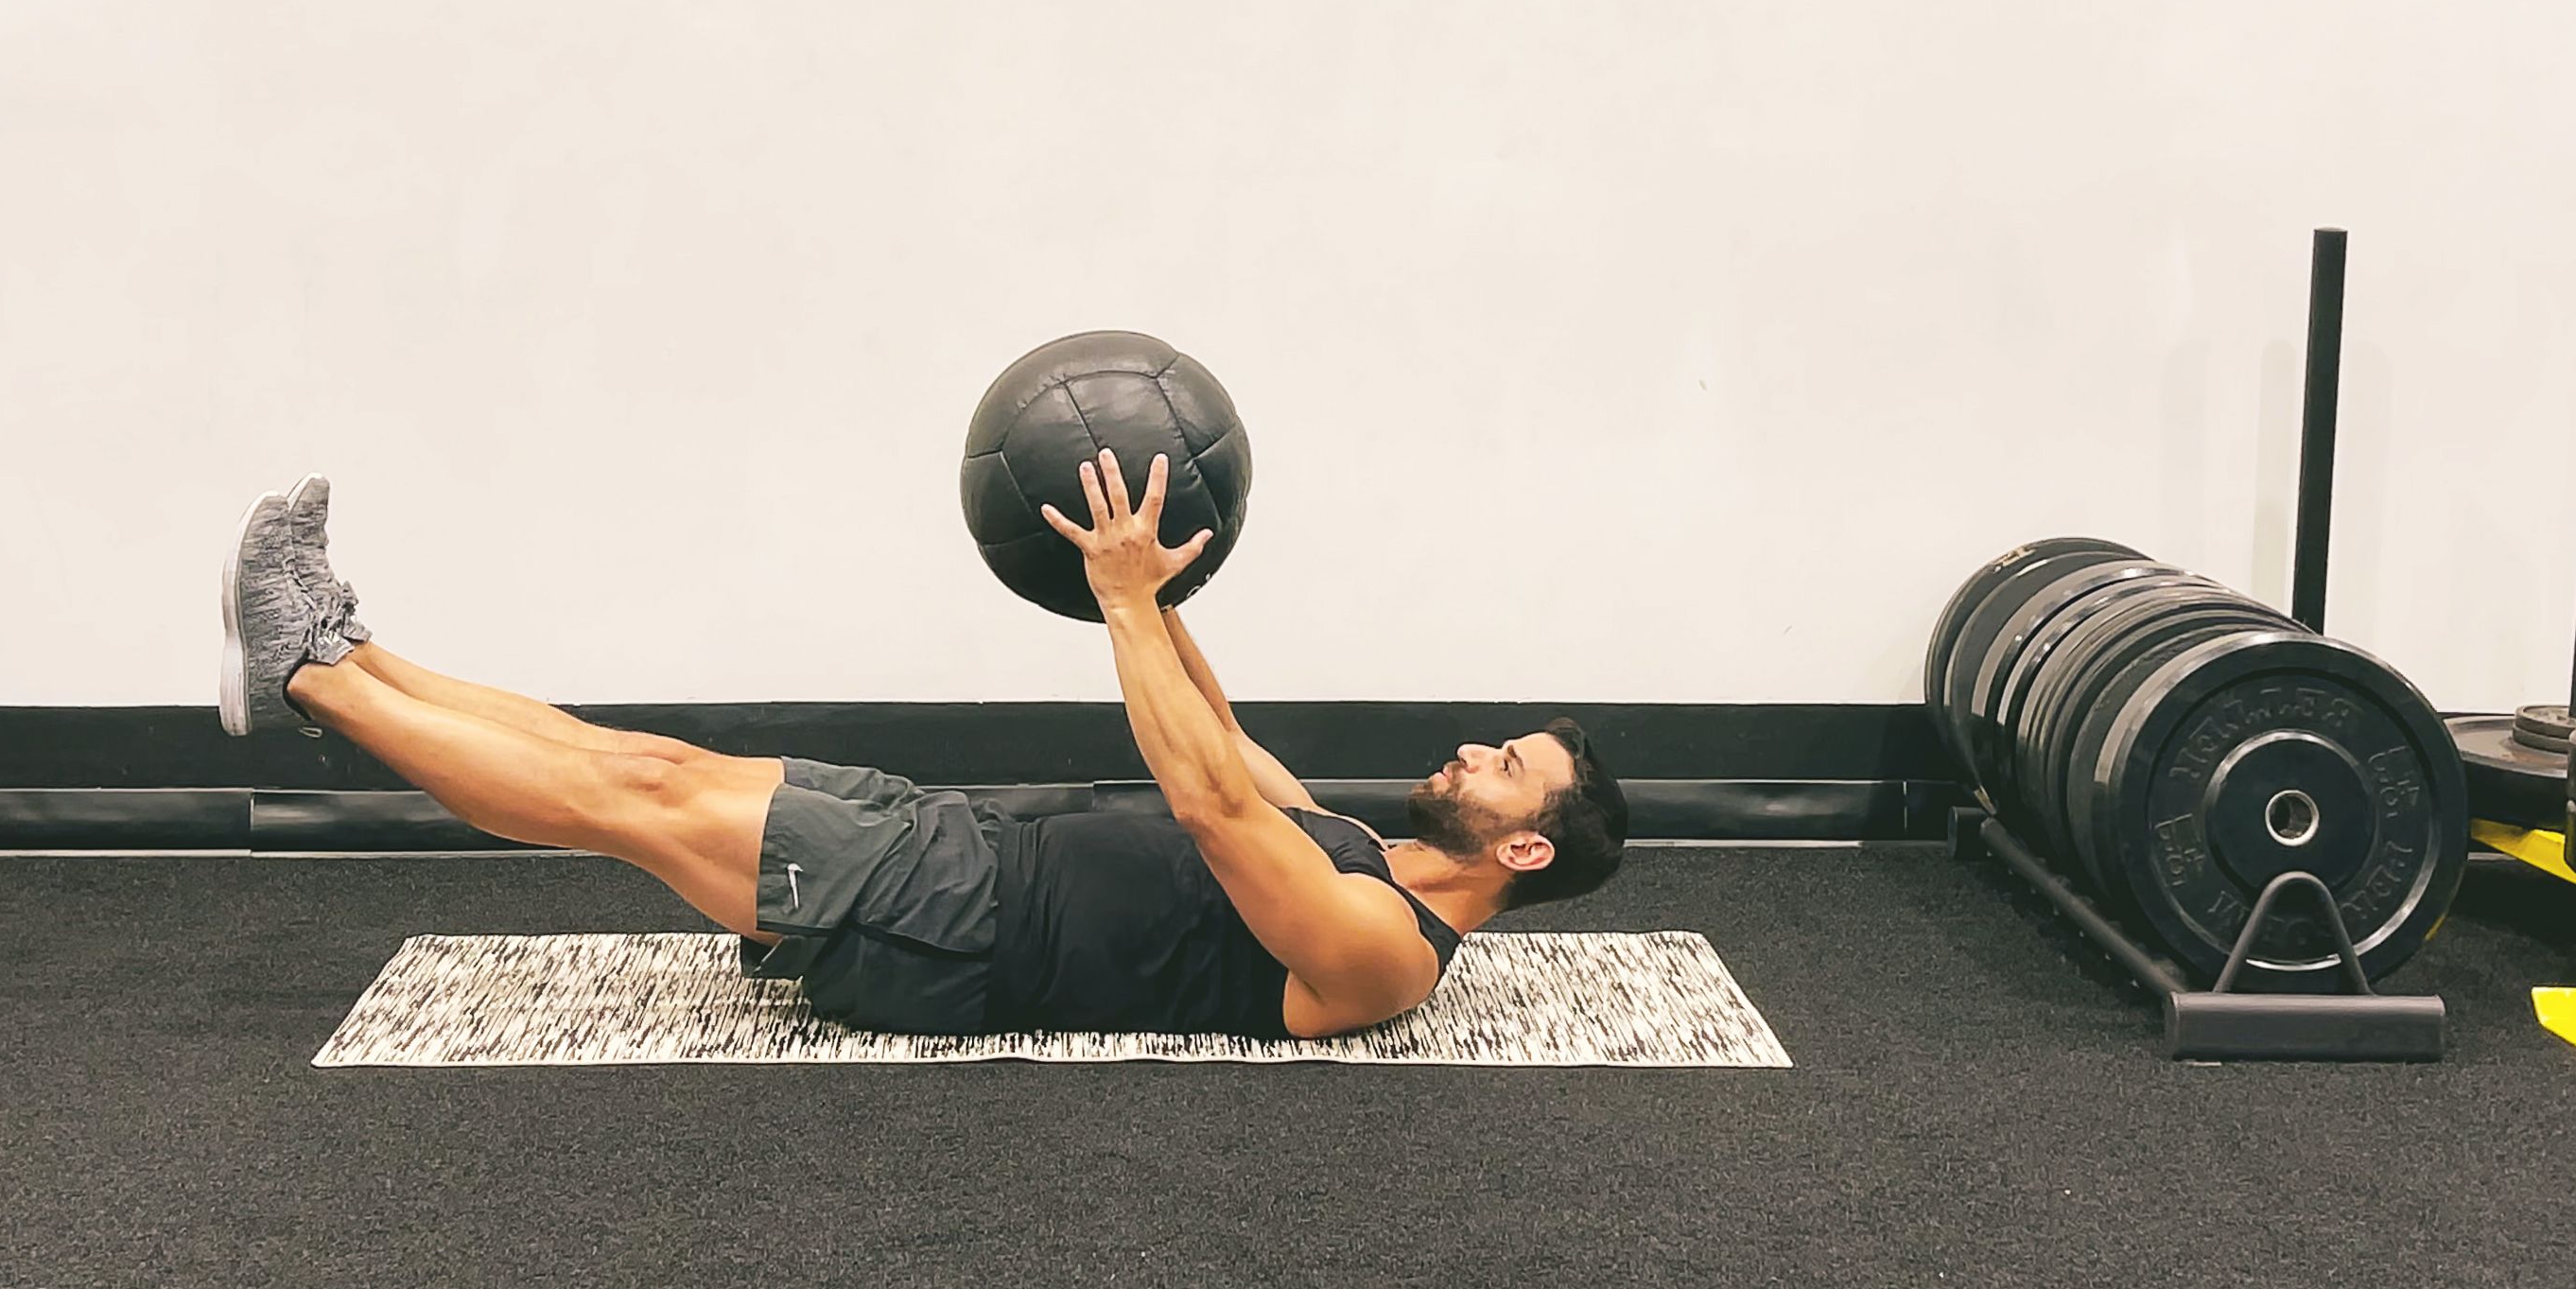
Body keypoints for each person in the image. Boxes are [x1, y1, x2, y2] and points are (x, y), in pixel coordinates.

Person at [220, 450, 1627, 1039]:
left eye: (1502, 767)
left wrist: (1126, 603)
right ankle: (345, 649)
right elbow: (1225, 740)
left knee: (630, 799)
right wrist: (1158, 590)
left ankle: (307, 686)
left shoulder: (1384, 958)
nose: (1467, 752)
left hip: (950, 928)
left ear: (1523, 846)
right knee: (640, 756)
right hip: (959, 848)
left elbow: (1206, 805)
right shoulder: (1368, 851)